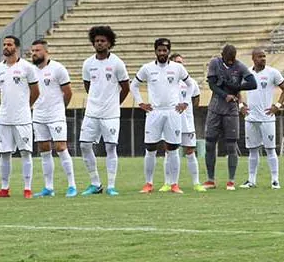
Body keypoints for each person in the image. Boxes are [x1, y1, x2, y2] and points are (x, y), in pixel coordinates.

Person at [130, 38, 192, 194]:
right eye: (159, 50)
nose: (162, 53)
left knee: (173, 148)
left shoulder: (177, 68)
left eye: (165, 50)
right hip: (154, 112)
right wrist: (140, 103)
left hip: (173, 112)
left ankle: (174, 184)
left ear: (169, 51)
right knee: (150, 148)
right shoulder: (147, 68)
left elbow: (190, 84)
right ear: (155, 51)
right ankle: (148, 184)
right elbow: (134, 85)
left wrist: (185, 102)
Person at [79, 26, 130, 196]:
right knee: (84, 145)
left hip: (111, 114)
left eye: (103, 41)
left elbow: (125, 87)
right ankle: (95, 183)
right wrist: (97, 101)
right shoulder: (88, 63)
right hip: (92, 112)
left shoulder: (117, 63)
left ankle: (111, 186)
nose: (99, 44)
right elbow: (88, 86)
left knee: (110, 147)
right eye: (97, 41)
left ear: (109, 43)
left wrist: (114, 104)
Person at [203, 44, 257, 190]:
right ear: (222, 56)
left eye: (233, 59)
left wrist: (237, 87)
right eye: (228, 59)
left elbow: (253, 83)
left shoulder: (240, 66)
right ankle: (210, 179)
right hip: (215, 108)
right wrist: (224, 94)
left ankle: (231, 180)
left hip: (231, 110)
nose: (231, 62)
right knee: (209, 143)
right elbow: (212, 85)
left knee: (231, 145)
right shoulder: (215, 63)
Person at [0, 35, 39, 199]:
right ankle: (4, 188)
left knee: (26, 152)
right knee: (5, 153)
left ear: (16, 48)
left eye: (9, 44)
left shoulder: (27, 67)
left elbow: (35, 91)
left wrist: (25, 106)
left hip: (22, 118)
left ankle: (27, 188)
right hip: (4, 117)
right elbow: (1, 91)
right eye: (4, 44)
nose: (6, 47)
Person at [30, 39, 76, 198]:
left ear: (46, 52)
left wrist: (60, 108)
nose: (34, 53)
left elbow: (68, 92)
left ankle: (72, 185)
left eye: (37, 50)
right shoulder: (31, 70)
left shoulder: (58, 69)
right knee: (43, 149)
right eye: (33, 51)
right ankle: (48, 188)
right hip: (38, 114)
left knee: (61, 147)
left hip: (55, 115)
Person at [158, 53, 207, 193]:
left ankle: (196, 183)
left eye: (182, 62)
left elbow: (196, 98)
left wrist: (188, 111)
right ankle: (168, 183)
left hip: (187, 122)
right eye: (177, 62)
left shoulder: (190, 81)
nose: (180, 65)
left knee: (190, 151)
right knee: (169, 151)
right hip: (170, 122)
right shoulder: (166, 81)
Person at [239, 48, 284, 189]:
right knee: (252, 150)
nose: (263, 59)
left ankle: (275, 180)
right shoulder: (247, 73)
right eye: (260, 56)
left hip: (267, 118)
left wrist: (277, 105)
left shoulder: (273, 73)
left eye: (264, 56)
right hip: (251, 118)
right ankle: (251, 180)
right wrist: (240, 105)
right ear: (253, 58)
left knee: (270, 149)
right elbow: (236, 89)